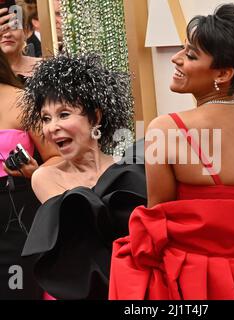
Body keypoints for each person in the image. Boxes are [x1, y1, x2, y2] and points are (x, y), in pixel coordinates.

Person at [109, 4, 234, 300]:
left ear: (224, 73)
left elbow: (156, 223)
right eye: (183, 49)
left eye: (191, 55)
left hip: (196, 281)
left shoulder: (167, 129)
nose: (177, 59)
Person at [20, 54, 147, 300]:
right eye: (46, 118)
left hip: (136, 287)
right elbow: (85, 232)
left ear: (96, 117)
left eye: (64, 114)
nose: (51, 127)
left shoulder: (130, 168)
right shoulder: (46, 177)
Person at [0, 48, 58, 299]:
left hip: (16, 213)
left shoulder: (21, 100)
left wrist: (35, 171)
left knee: (18, 290)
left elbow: (56, 157)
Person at [0, 1, 41, 83]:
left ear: (25, 31)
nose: (7, 34)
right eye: (1, 27)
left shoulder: (43, 67)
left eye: (14, 26)